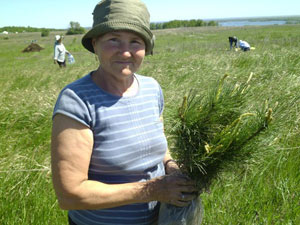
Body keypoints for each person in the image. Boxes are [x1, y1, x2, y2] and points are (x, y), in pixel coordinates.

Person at [51, 0, 197, 225]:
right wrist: (154, 190)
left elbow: (158, 142)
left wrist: (170, 165)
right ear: (95, 43)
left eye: (135, 41)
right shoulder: (77, 100)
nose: (126, 52)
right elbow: (70, 194)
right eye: (113, 40)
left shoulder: (151, 88)